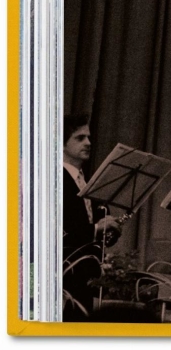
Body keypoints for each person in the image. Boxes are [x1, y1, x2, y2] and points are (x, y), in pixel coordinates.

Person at [62, 114, 120, 320]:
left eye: (88, 137)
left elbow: (95, 226)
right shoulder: (55, 179)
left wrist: (110, 228)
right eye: (80, 138)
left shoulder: (85, 181)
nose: (88, 142)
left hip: (85, 273)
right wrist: (96, 228)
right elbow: (59, 231)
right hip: (65, 273)